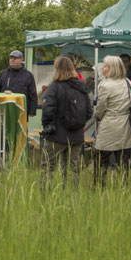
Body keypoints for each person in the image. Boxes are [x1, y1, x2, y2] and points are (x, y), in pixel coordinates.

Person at [40, 56, 93, 190]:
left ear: (57, 69)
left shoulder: (54, 87)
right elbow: (89, 112)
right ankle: (72, 196)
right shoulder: (81, 87)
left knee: (47, 167)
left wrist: (47, 126)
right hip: (76, 135)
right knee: (73, 168)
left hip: (56, 135)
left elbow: (47, 110)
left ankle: (45, 196)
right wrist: (78, 123)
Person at [93, 56, 131, 187]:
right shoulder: (127, 82)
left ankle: (99, 186)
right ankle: (124, 186)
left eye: (105, 66)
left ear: (112, 68)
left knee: (101, 158)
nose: (103, 69)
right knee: (123, 159)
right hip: (125, 123)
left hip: (109, 124)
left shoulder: (105, 85)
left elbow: (100, 108)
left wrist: (96, 116)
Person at [0, 50, 38, 117]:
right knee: (4, 127)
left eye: (15, 58)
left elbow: (33, 94)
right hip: (5, 109)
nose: (12, 60)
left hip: (21, 110)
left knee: (21, 127)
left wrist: (32, 111)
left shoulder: (28, 75)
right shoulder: (3, 74)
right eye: (11, 58)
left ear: (21, 60)